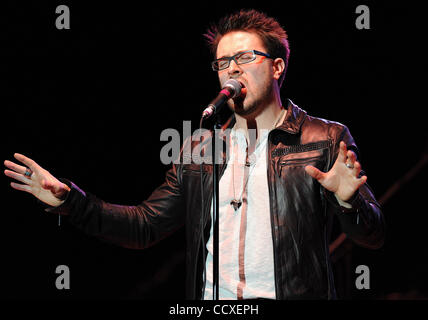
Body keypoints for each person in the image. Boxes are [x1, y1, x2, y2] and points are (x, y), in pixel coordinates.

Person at [3, 9, 384, 300]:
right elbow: (145, 226)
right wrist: (71, 201)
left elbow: (373, 236)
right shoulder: (201, 148)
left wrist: (349, 203)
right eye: (222, 63)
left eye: (245, 57)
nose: (231, 69)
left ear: (278, 66)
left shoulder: (324, 137)